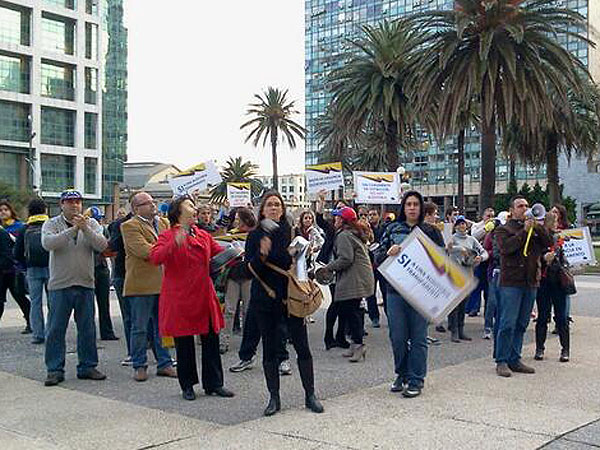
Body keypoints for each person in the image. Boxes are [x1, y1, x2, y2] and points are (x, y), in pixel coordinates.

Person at [246, 191, 323, 416]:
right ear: (262, 210)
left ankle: (310, 394)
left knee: (302, 347)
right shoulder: (255, 235)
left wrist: (299, 254)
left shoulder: (290, 232)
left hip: (292, 298)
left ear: (282, 209)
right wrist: (261, 254)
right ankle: (274, 398)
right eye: (269, 205)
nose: (273, 208)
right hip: (266, 298)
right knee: (270, 350)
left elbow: (298, 265)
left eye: (277, 205)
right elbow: (249, 270)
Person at [150, 195, 234, 400]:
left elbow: (219, 254)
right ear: (177, 211)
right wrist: (175, 243)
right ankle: (187, 385)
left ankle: (214, 384)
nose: (194, 208)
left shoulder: (203, 235)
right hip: (180, 296)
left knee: (211, 339)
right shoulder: (168, 235)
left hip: (203, 294)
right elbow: (155, 257)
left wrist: (235, 253)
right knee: (184, 343)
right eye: (189, 205)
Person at [374, 190, 445, 398]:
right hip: (395, 292)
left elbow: (443, 263)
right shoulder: (391, 228)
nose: (412, 208)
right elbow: (377, 256)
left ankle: (416, 379)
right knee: (397, 337)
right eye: (409, 204)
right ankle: (402, 374)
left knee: (418, 338)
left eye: (416, 204)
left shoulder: (431, 231)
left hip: (422, 293)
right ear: (403, 208)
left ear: (421, 208)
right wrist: (388, 253)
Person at [41, 190, 108, 386]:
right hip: (60, 285)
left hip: (85, 284)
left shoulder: (92, 223)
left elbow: (102, 245)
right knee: (55, 329)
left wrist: (85, 228)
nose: (74, 205)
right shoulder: (51, 224)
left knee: (87, 328)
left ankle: (87, 366)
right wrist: (73, 230)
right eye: (70, 202)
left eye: (78, 202)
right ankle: (54, 369)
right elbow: (49, 244)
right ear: (62, 204)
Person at [494, 195, 553, 377]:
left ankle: (515, 358)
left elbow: (549, 242)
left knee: (521, 323)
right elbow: (506, 249)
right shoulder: (503, 229)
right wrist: (523, 232)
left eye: (526, 205)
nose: (524, 208)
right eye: (520, 206)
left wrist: (538, 227)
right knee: (507, 323)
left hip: (530, 281)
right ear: (512, 210)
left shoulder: (535, 229)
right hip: (511, 281)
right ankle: (501, 360)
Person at [121, 191, 177, 382]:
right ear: (136, 208)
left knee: (162, 326)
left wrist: (167, 248)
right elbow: (144, 251)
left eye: (153, 202)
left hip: (163, 283)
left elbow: (167, 247)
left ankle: (164, 363)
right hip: (141, 285)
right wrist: (169, 247)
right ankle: (139, 365)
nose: (153, 205)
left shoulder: (164, 223)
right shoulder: (129, 226)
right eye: (147, 203)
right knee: (140, 327)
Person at [319, 207, 374, 362]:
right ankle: (354, 345)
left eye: (337, 218)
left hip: (354, 278)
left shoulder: (344, 235)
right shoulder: (352, 233)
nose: (335, 220)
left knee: (352, 313)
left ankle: (359, 345)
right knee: (351, 311)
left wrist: (328, 267)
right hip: (358, 277)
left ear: (343, 220)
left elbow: (346, 258)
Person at [315, 190, 351, 350]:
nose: (338, 214)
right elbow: (319, 220)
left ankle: (340, 336)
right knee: (336, 303)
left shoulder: (351, 230)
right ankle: (329, 336)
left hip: (345, 270)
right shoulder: (332, 228)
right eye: (337, 210)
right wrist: (321, 202)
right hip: (332, 269)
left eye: (342, 210)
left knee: (343, 304)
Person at [534, 211, 570, 362]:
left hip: (558, 280)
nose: (555, 224)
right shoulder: (540, 239)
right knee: (542, 316)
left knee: (561, 317)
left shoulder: (561, 237)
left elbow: (567, 259)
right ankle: (540, 348)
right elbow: (534, 256)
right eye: (553, 221)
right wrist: (543, 257)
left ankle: (565, 349)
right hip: (544, 281)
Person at [446, 215, 488, 343]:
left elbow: (483, 252)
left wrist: (480, 258)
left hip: (468, 273)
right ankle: (454, 331)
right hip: (454, 273)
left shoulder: (472, 239)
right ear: (455, 226)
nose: (462, 226)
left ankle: (461, 329)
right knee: (455, 304)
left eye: (463, 223)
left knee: (464, 303)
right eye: (459, 224)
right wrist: (461, 249)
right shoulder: (451, 239)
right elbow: (447, 249)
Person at [13, 198, 50, 344]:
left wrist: (25, 265)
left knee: (35, 303)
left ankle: (38, 334)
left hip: (32, 269)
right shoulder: (50, 225)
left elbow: (16, 253)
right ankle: (51, 332)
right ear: (44, 210)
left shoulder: (24, 228)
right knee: (53, 302)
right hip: (51, 267)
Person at [221, 207, 256, 354]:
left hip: (249, 275)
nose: (235, 222)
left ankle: (248, 342)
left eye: (238, 219)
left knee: (248, 310)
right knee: (229, 309)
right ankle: (224, 341)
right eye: (234, 219)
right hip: (233, 275)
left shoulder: (254, 235)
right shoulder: (229, 235)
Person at [0, 199, 31, 333]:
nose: (3, 213)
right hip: (1, 270)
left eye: (5, 210)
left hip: (15, 269)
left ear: (11, 211)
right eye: (0, 210)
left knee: (20, 297)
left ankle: (31, 322)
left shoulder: (19, 227)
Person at [108, 206, 134, 365]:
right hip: (123, 274)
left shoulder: (158, 222)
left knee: (152, 316)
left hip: (149, 276)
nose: (153, 206)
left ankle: (160, 354)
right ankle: (133, 352)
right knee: (129, 315)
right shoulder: (120, 225)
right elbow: (112, 246)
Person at [89, 208, 118, 341]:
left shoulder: (103, 230)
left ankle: (107, 331)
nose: (99, 220)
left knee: (104, 302)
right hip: (90, 267)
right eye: (97, 218)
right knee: (88, 304)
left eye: (99, 218)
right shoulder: (86, 229)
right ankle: (89, 332)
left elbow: (108, 246)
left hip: (101, 267)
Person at [465, 207, 495, 317]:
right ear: (483, 216)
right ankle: (473, 308)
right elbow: (474, 237)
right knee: (476, 285)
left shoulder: (495, 227)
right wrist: (485, 229)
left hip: (489, 259)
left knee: (489, 287)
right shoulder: (477, 226)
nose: (490, 219)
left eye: (492, 216)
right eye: (488, 216)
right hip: (478, 259)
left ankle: (489, 309)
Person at [365, 207, 386, 326]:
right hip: (370, 266)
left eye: (373, 214)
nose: (371, 216)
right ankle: (374, 317)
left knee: (385, 292)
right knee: (370, 293)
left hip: (382, 265)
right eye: (370, 215)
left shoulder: (383, 228)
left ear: (379, 216)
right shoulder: (365, 229)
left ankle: (390, 314)